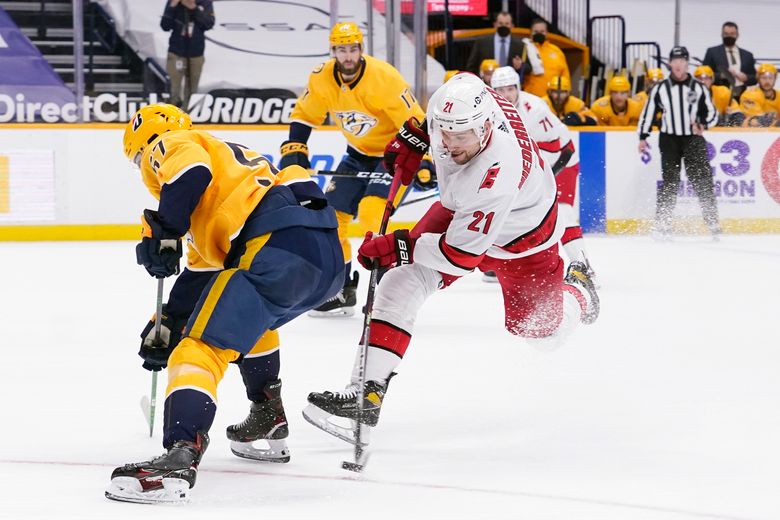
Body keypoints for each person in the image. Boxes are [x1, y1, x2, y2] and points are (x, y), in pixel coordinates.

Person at [302, 73, 600, 443]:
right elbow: (436, 118)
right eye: (444, 132)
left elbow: (459, 256)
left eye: (460, 137)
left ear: (486, 126)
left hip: (524, 238)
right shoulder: (461, 100)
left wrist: (399, 245)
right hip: (463, 209)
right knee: (400, 280)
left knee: (541, 334)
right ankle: (366, 393)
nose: (448, 143)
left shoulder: (496, 171)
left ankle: (579, 290)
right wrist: (415, 136)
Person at [105, 104, 343, 504]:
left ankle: (181, 453)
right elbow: (200, 277)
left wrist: (164, 230)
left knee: (198, 346)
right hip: (323, 256)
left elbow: (190, 172)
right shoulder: (231, 171)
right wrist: (165, 322)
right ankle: (267, 416)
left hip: (273, 245)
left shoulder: (173, 143)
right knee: (253, 321)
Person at [279, 22, 425, 317]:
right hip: (357, 154)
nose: (348, 56)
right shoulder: (322, 79)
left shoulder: (384, 78)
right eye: (341, 50)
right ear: (333, 51)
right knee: (331, 221)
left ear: (361, 49)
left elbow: (416, 122)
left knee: (373, 215)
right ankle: (342, 290)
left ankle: (387, 292)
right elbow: (306, 115)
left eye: (353, 49)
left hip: (394, 155)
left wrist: (424, 161)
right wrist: (296, 146)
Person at [490, 66, 596, 277]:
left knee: (563, 211)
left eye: (510, 89)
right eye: (500, 90)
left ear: (518, 88)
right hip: (532, 165)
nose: (506, 95)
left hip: (561, 161)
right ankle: (501, 261)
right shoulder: (489, 110)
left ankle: (581, 265)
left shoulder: (535, 109)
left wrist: (538, 181)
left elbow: (557, 150)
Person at [638, 46, 720, 239]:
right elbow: (648, 113)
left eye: (681, 60)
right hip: (669, 140)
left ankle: (712, 220)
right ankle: (663, 222)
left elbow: (713, 113)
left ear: (686, 63)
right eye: (674, 60)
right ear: (670, 64)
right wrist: (642, 137)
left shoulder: (699, 87)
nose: (678, 64)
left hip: (693, 139)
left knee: (702, 180)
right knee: (670, 182)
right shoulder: (660, 88)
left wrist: (704, 124)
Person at [160, 0, 215, 109]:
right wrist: (172, 7)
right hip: (176, 51)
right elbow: (165, 26)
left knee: (192, 89)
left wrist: (194, 9)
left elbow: (208, 24)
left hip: (196, 52)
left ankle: (187, 115)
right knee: (173, 88)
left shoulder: (205, 2)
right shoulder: (173, 2)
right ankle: (171, 114)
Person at [466, 11, 530, 77]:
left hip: (509, 84)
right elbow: (471, 66)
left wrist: (520, 66)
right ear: (495, 24)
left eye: (507, 24)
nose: (503, 26)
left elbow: (529, 68)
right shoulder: (482, 42)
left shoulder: (520, 44)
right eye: (500, 23)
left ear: (512, 26)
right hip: (486, 84)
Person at [702, 21, 756, 98]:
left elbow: (755, 78)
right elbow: (704, 75)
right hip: (719, 95)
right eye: (726, 34)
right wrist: (722, 75)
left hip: (742, 96)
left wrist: (746, 77)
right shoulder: (712, 52)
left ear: (737, 35)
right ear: (721, 34)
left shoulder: (747, 55)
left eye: (732, 34)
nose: (729, 36)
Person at [521, 18, 571, 98]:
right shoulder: (525, 49)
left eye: (542, 31)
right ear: (530, 33)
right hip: (531, 98)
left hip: (553, 99)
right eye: (536, 32)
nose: (539, 34)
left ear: (547, 33)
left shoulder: (556, 51)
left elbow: (565, 75)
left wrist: (566, 92)